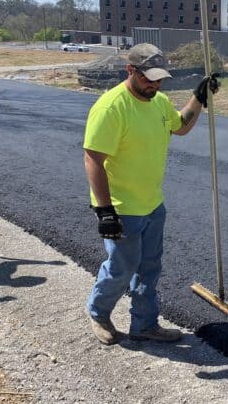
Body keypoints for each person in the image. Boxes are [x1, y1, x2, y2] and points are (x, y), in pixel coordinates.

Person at [83, 43, 218, 345]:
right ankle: (98, 312)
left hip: (153, 204)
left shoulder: (159, 102)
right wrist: (105, 211)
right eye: (148, 78)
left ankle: (145, 324)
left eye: (159, 79)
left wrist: (199, 97)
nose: (154, 85)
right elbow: (93, 159)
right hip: (121, 207)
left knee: (149, 268)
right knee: (122, 268)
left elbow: (180, 126)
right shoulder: (111, 107)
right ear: (130, 70)